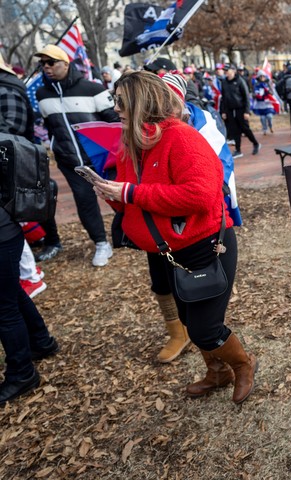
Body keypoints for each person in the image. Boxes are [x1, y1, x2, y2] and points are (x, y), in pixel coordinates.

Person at [93, 71, 256, 403]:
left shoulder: (182, 138)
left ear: (142, 102)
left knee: (205, 327)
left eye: (121, 101)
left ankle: (243, 365)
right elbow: (134, 201)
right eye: (115, 100)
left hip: (206, 245)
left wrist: (129, 192)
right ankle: (217, 372)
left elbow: (199, 195)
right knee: (186, 318)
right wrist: (110, 191)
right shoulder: (133, 143)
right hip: (171, 250)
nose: (116, 108)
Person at [0, 60, 59, 406]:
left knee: (3, 305)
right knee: (9, 293)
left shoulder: (7, 90)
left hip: (4, 223)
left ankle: (21, 372)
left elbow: (12, 137)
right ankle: (40, 341)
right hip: (7, 224)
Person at [34, 44, 119, 267]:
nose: (46, 67)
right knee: (84, 201)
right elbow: (49, 126)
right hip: (70, 160)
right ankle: (101, 243)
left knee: (119, 197)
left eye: (51, 62)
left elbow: (114, 120)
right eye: (43, 64)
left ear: (66, 63)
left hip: (102, 158)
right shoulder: (42, 94)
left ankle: (131, 233)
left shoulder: (92, 88)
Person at [220, 64, 260, 158]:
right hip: (230, 110)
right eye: (225, 70)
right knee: (234, 130)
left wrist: (247, 111)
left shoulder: (240, 81)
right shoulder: (224, 82)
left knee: (245, 128)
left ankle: (255, 143)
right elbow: (224, 98)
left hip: (241, 109)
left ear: (233, 70)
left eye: (227, 70)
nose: (226, 72)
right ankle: (238, 150)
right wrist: (224, 111)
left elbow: (246, 97)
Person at [252, 71, 275, 135]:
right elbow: (253, 94)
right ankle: (265, 129)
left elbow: (272, 93)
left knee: (269, 116)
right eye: (261, 76)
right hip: (260, 104)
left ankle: (270, 126)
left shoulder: (268, 83)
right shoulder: (256, 84)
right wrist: (256, 95)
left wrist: (267, 91)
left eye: (263, 76)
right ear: (258, 77)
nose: (262, 77)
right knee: (262, 118)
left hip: (267, 103)